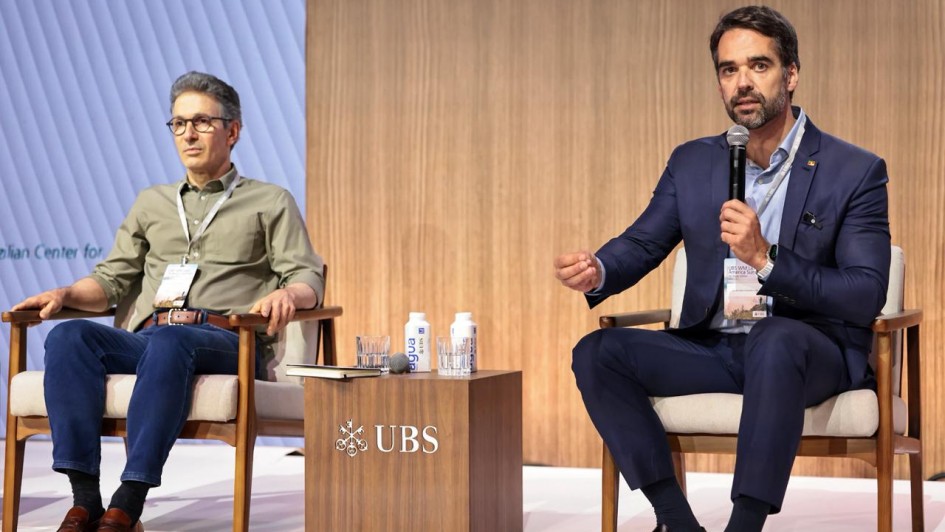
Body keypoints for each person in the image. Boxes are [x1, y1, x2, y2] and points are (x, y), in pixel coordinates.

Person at [554, 6, 889, 532]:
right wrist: (598, 269)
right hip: (716, 346)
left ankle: (744, 525)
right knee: (598, 352)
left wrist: (766, 258)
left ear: (792, 74)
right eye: (729, 70)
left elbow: (865, 294)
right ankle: (675, 520)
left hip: (806, 349)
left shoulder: (854, 170)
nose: (743, 83)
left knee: (775, 339)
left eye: (759, 65)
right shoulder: (694, 161)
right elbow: (644, 240)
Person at [13, 71, 324, 532]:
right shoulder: (151, 202)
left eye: (201, 121)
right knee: (69, 336)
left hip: (225, 340)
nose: (188, 134)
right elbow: (111, 279)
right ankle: (84, 502)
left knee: (173, 341)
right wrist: (65, 295)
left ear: (232, 131)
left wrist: (289, 292)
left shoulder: (269, 200)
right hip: (154, 335)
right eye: (178, 124)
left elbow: (305, 274)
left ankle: (128, 502)